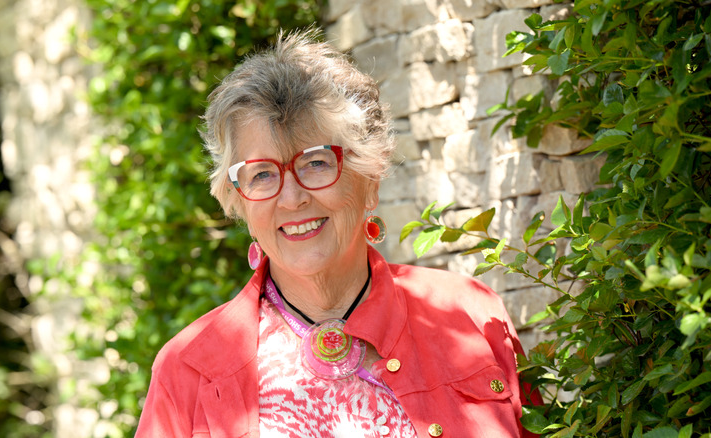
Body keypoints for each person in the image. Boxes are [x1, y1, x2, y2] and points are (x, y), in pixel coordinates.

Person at [135, 29, 539, 438]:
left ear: (370, 175)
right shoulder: (186, 370)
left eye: (316, 164)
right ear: (237, 199)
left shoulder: (470, 314)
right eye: (262, 174)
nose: (291, 199)